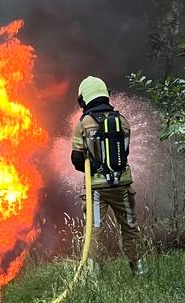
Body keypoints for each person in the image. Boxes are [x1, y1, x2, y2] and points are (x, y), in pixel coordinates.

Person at [71, 76, 139, 271]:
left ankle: (92, 273)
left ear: (83, 99)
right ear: (105, 94)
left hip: (97, 189)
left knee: (94, 231)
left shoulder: (84, 123)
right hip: (122, 186)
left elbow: (77, 159)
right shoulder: (122, 121)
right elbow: (124, 152)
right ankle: (139, 269)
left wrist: (92, 164)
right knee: (130, 227)